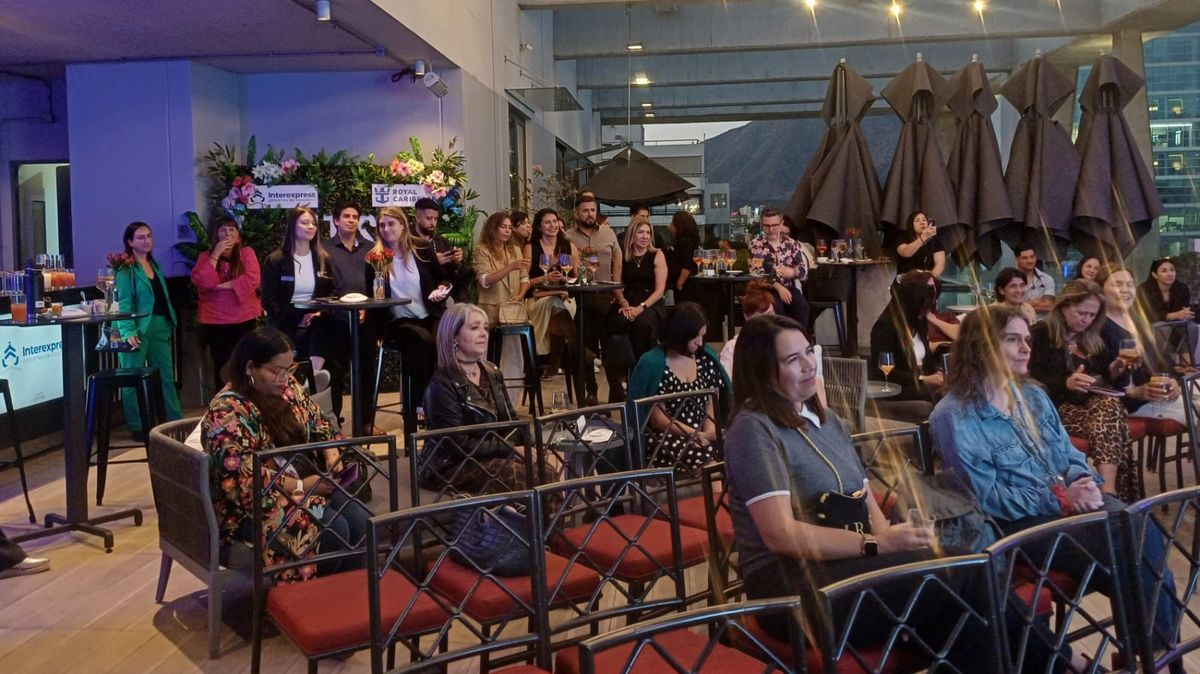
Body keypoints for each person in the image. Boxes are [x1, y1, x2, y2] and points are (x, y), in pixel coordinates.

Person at [724, 314, 992, 662]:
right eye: (793, 359)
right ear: (761, 370)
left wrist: (899, 539)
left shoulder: (829, 421)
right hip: (790, 590)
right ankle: (1064, 662)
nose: (809, 365)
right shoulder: (753, 428)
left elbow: (866, 507)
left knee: (967, 595)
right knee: (966, 579)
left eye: (809, 352)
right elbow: (781, 535)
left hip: (849, 564)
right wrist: (877, 544)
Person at [930, 305, 1182, 673]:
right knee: (1132, 544)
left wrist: (1086, 482)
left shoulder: (1032, 395)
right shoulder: (953, 414)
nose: (1026, 348)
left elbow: (1066, 453)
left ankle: (1148, 656)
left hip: (1066, 509)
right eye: (1012, 339)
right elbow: (987, 498)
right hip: (1016, 525)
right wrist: (1062, 497)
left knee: (1137, 528)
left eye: (1027, 340)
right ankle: (1156, 658)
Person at [201, 327, 370, 581]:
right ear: (249, 368)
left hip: (299, 488)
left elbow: (319, 422)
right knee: (334, 529)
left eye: (289, 369)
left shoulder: (288, 388)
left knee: (360, 520)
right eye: (274, 371)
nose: (284, 378)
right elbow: (240, 482)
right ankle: (307, 605)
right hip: (249, 506)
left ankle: (347, 601)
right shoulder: (227, 412)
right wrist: (301, 485)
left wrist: (331, 453)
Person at [1028, 280, 1137, 501]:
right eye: (1081, 313)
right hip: (1053, 409)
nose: (1086, 320)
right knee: (1114, 420)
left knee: (1109, 409)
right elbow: (1029, 380)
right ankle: (1113, 495)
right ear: (1064, 306)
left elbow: (1113, 384)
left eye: (1092, 315)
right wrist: (1065, 383)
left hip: (1093, 408)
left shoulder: (1093, 337)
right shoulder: (1041, 334)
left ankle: (1107, 493)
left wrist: (1116, 371)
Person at [422, 303, 538, 492]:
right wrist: (508, 449)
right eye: (474, 327)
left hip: (491, 454)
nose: (484, 333)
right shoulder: (442, 384)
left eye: (485, 327)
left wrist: (531, 445)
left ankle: (546, 522)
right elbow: (457, 445)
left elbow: (512, 422)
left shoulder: (492, 372)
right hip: (449, 465)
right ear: (453, 336)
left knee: (544, 468)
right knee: (520, 475)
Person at [260, 207, 347, 421]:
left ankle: (314, 380)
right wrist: (297, 317)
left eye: (313, 223)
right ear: (292, 226)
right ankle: (304, 386)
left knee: (332, 326)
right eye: (304, 223)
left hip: (315, 320)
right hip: (285, 321)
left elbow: (332, 293)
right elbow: (269, 301)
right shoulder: (276, 260)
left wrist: (317, 312)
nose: (310, 227)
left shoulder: (322, 258)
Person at [368, 206, 451, 421]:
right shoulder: (376, 257)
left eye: (391, 224)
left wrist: (441, 290)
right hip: (399, 320)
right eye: (382, 225)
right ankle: (419, 403)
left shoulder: (421, 248)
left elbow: (443, 278)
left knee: (443, 339)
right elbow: (372, 296)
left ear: (403, 225)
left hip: (429, 313)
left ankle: (445, 401)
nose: (386, 229)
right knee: (422, 341)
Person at [627, 302, 731, 471]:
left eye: (702, 336)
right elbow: (658, 419)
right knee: (707, 457)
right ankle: (716, 496)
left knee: (738, 449)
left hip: (701, 432)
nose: (700, 342)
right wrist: (695, 435)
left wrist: (710, 434)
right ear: (679, 335)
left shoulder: (704, 359)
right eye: (695, 337)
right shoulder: (654, 363)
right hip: (667, 436)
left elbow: (710, 403)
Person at [114, 221, 184, 437]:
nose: (147, 241)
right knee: (132, 377)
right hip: (137, 328)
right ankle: (138, 426)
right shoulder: (126, 269)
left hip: (160, 325)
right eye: (141, 237)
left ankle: (174, 422)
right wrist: (128, 332)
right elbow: (123, 304)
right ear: (130, 242)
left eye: (149, 236)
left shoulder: (155, 265)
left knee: (165, 376)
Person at [1097, 263, 1185, 424]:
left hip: (1156, 397)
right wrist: (1134, 390)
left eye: (1130, 285)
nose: (1125, 289)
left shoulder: (1139, 322)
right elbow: (1101, 377)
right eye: (1118, 284)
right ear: (1100, 290)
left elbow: (1163, 361)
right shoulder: (1097, 326)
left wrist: (1173, 381)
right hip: (1127, 403)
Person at [190, 216, 262, 389]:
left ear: (238, 235)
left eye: (232, 229)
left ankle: (247, 401)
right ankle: (223, 406)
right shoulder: (205, 257)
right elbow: (205, 281)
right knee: (221, 365)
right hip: (216, 321)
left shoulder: (247, 253)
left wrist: (222, 286)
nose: (227, 233)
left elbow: (252, 279)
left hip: (244, 319)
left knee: (245, 363)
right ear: (216, 235)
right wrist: (215, 254)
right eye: (223, 229)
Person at [565, 194, 622, 405]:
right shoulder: (568, 236)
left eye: (592, 210)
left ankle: (616, 389)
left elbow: (618, 260)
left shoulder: (608, 233)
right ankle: (591, 391)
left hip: (607, 295)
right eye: (585, 211)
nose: (590, 214)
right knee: (586, 348)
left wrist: (619, 292)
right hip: (583, 297)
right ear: (576, 214)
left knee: (612, 345)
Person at [868, 270, 942, 423]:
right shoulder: (885, 326)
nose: (926, 312)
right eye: (923, 308)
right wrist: (924, 378)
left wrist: (939, 375)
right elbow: (884, 371)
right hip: (897, 385)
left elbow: (927, 360)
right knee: (938, 394)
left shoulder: (918, 322)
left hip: (919, 381)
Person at [607, 215, 668, 401]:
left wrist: (640, 308)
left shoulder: (657, 254)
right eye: (641, 232)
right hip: (626, 299)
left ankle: (641, 376)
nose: (645, 236)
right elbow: (616, 283)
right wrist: (624, 303)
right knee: (616, 323)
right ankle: (619, 381)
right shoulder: (622, 254)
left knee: (642, 324)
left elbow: (660, 290)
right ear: (632, 234)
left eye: (648, 232)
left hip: (650, 301)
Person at [523, 208, 578, 379]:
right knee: (553, 303)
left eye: (555, 221)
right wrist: (544, 278)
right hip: (536, 298)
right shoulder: (530, 248)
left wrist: (565, 277)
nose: (552, 225)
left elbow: (576, 278)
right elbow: (523, 281)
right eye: (547, 222)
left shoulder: (569, 246)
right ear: (539, 227)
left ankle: (553, 361)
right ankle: (575, 348)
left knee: (557, 303)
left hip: (564, 295)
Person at [749, 208, 809, 329]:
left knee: (802, 306)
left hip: (789, 287)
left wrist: (792, 272)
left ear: (781, 224)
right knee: (777, 307)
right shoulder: (756, 245)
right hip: (765, 289)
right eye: (767, 226)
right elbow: (756, 273)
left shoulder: (792, 244)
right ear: (762, 225)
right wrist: (778, 286)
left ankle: (800, 341)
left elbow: (803, 271)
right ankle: (778, 342)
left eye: (774, 225)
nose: (771, 230)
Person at [1137, 257, 1199, 371]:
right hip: (1150, 326)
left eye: (1172, 270)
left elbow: (1182, 313)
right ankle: (1169, 366)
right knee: (1161, 328)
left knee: (1192, 327)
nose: (1170, 274)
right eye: (1164, 271)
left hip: (1175, 327)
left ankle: (1187, 364)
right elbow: (1147, 315)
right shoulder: (1144, 290)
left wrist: (1184, 314)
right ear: (1155, 274)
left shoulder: (1182, 288)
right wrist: (1172, 315)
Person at [472, 212, 531, 327]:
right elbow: (485, 281)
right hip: (492, 310)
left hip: (514, 310)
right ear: (492, 229)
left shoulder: (516, 250)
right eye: (503, 227)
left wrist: (520, 295)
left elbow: (524, 279)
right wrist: (510, 267)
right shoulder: (482, 251)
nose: (508, 231)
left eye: (509, 228)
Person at [720, 281, 774, 375]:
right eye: (762, 316)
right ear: (747, 316)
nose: (769, 321)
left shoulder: (780, 343)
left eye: (771, 314)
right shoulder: (733, 348)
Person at [414, 196, 464, 296]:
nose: (433, 223)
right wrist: (434, 262)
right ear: (417, 217)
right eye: (428, 218)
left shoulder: (441, 242)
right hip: (417, 294)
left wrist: (456, 260)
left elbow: (451, 275)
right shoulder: (408, 241)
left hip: (441, 294)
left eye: (435, 219)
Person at [893, 211, 946, 277]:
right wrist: (923, 238)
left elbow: (940, 265)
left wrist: (930, 280)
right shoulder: (903, 237)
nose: (922, 223)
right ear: (911, 224)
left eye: (924, 220)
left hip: (927, 280)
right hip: (905, 280)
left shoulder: (935, 241)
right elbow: (905, 253)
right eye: (917, 221)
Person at [665, 211, 701, 305]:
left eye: (672, 223)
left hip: (686, 285)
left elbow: (687, 264)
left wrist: (679, 283)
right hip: (689, 283)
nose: (669, 226)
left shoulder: (684, 242)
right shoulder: (692, 241)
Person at [1015, 243, 1056, 312]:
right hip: (1018, 321)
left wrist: (1022, 305)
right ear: (1017, 259)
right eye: (1025, 258)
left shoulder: (1047, 279)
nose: (1029, 261)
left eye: (1032, 256)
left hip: (1041, 321)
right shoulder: (1009, 279)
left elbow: (1049, 306)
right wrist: (1037, 301)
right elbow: (1009, 307)